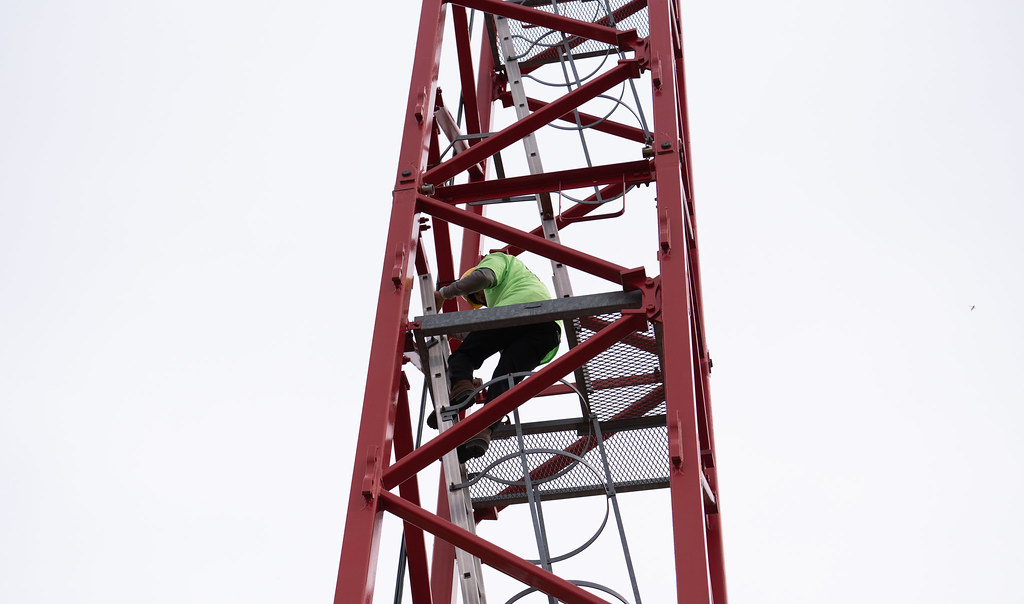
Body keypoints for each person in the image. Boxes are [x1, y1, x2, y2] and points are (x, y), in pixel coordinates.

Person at [431, 252, 561, 462]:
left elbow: (485, 278)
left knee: (463, 357)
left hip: (515, 315)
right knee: (503, 382)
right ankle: (482, 433)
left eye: (477, 293)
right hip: (547, 332)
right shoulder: (521, 284)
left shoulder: (501, 261)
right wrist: (448, 329)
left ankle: (462, 389)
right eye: (478, 299)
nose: (482, 297)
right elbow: (479, 334)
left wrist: (443, 294)